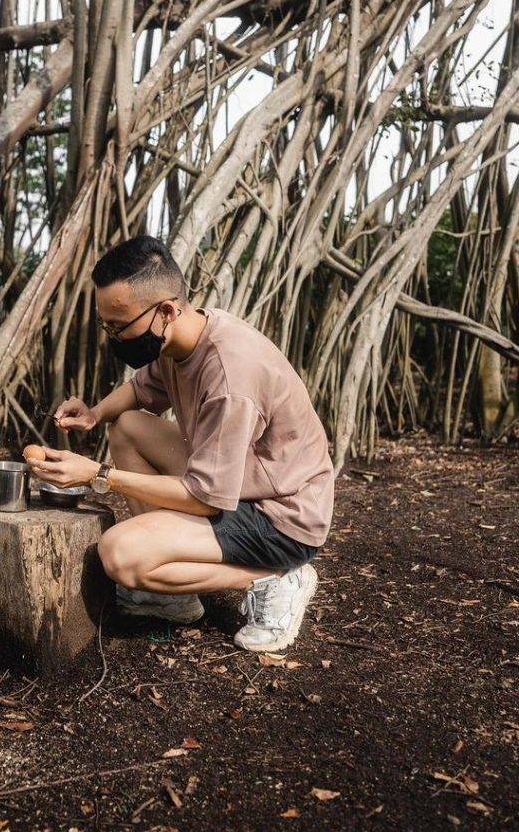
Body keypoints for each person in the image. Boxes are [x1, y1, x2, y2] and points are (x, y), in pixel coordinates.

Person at [27, 235, 335, 651]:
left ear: (167, 310)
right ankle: (171, 593)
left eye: (119, 326)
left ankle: (276, 577)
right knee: (127, 426)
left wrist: (98, 475)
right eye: (107, 325)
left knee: (119, 553)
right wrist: (96, 413)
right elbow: (140, 391)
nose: (113, 336)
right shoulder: (185, 336)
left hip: (280, 516)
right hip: (240, 485)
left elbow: (204, 499)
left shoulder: (230, 375)